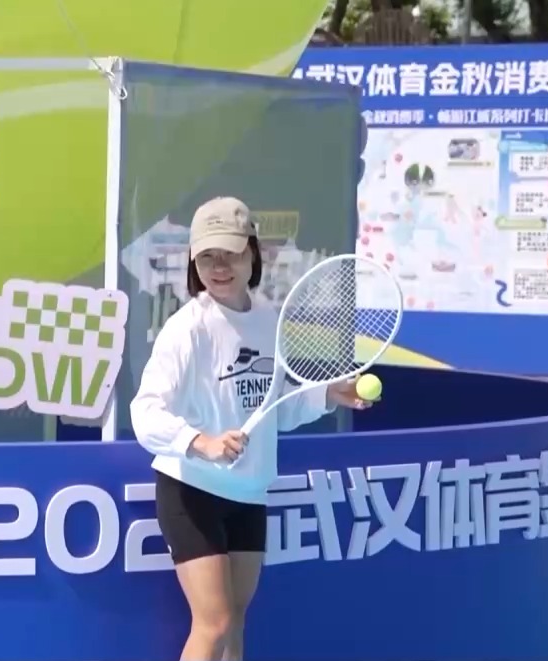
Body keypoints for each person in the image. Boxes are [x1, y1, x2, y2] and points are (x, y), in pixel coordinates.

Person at [130, 197, 370, 661]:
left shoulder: (267, 318)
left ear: (252, 253)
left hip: (248, 492)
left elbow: (274, 406)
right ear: (193, 262)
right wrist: (200, 443)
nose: (219, 267)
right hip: (192, 490)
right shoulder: (187, 329)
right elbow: (146, 411)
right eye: (207, 257)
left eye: (230, 253)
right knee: (214, 623)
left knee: (235, 621)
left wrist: (327, 395)